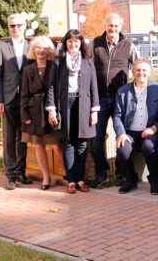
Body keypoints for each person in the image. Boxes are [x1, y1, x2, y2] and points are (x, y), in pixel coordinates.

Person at [89, 13, 138, 188]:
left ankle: (120, 173)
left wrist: (134, 89)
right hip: (99, 98)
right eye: (110, 25)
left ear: (121, 27)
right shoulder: (94, 44)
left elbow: (139, 66)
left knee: (121, 137)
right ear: (105, 25)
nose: (113, 29)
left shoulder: (128, 45)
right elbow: (86, 66)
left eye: (116, 26)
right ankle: (102, 173)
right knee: (96, 140)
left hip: (121, 99)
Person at [47, 29, 100, 194]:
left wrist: (94, 110)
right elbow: (51, 86)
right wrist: (51, 109)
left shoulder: (87, 61)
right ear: (66, 43)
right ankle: (70, 180)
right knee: (68, 142)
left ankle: (80, 179)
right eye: (70, 41)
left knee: (82, 143)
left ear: (81, 43)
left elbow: (94, 86)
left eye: (76, 41)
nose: (73, 44)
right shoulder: (58, 62)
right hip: (65, 103)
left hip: (83, 104)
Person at [0, 13, 33, 190]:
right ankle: (10, 176)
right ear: (8, 27)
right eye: (12, 26)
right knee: (9, 137)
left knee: (23, 138)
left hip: (26, 99)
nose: (16, 28)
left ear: (25, 25)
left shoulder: (31, 45)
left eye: (18, 25)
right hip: (8, 98)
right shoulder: (2, 46)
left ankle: (21, 172)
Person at [113, 58, 158, 194]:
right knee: (123, 148)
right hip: (130, 131)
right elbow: (117, 116)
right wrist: (121, 133)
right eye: (138, 70)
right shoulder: (123, 91)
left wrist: (154, 128)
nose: (141, 73)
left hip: (151, 130)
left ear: (149, 72)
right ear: (132, 72)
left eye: (144, 70)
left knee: (149, 147)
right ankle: (131, 180)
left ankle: (154, 180)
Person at [20, 36, 64, 190]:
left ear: (49, 51)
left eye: (45, 48)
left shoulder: (55, 66)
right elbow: (24, 95)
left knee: (56, 145)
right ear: (33, 50)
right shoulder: (27, 70)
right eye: (38, 48)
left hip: (51, 110)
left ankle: (67, 173)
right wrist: (25, 116)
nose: (41, 51)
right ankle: (46, 177)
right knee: (39, 145)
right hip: (34, 113)